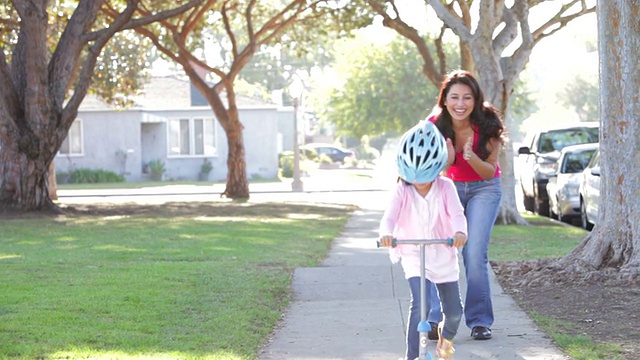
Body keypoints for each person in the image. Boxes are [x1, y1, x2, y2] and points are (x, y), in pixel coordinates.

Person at [379, 121, 468, 360]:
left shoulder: (446, 187)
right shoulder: (402, 190)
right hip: (413, 253)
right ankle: (411, 356)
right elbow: (390, 216)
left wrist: (460, 233)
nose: (419, 183)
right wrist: (386, 234)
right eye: (415, 177)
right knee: (420, 306)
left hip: (443, 254)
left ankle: (445, 340)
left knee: (454, 313)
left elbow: (457, 214)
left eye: (425, 177)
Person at [426, 69, 505, 341]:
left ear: (476, 99)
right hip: (448, 189)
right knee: (438, 251)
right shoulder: (433, 125)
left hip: (485, 188)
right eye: (454, 97)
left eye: (467, 97)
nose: (461, 104)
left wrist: (469, 157)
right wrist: (447, 161)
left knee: (473, 255)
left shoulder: (488, 123)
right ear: (444, 99)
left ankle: (480, 321)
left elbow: (488, 172)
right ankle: (435, 318)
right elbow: (428, 170)